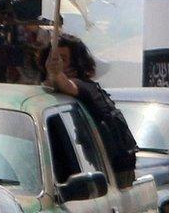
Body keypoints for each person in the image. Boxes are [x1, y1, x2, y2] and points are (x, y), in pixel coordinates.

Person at [40, 34, 138, 188]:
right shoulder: (47, 95)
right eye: (52, 58)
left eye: (63, 59)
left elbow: (68, 86)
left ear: (76, 63)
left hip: (115, 172)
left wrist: (57, 74)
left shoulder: (86, 88)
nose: (56, 63)